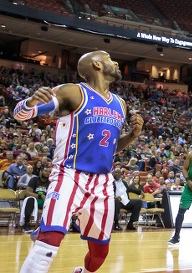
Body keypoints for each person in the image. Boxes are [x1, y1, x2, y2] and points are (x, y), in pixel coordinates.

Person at [13, 50, 144, 273]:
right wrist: (29, 103)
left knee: (99, 255)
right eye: (110, 60)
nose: (116, 63)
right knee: (48, 242)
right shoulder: (73, 92)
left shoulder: (120, 104)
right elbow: (20, 114)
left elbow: (110, 149)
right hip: (69, 175)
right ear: (97, 65)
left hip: (103, 182)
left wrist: (132, 135)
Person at [20, 165, 51, 233]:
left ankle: (49, 225)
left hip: (44, 201)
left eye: (49, 172)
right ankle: (26, 224)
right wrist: (40, 196)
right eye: (45, 171)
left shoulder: (50, 182)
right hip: (34, 200)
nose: (47, 173)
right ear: (41, 171)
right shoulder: (34, 179)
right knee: (30, 200)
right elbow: (28, 192)